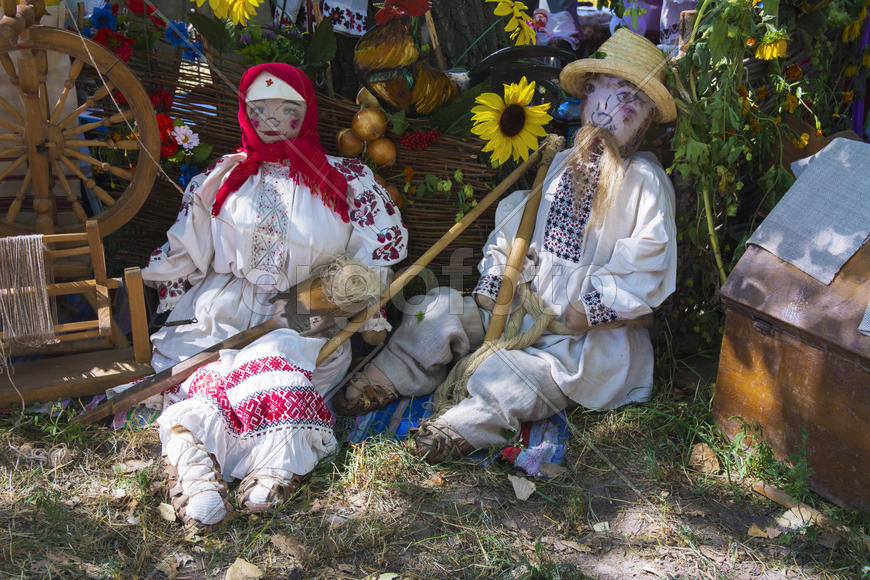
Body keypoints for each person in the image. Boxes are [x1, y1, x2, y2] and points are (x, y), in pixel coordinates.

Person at [332, 28, 677, 463]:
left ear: (646, 120)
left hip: (576, 343)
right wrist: (499, 276)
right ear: (584, 99)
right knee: (435, 310)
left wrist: (587, 310)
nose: (608, 110)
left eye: (628, 100)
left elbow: (647, 265)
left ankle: (456, 429)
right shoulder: (563, 163)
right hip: (520, 308)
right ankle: (384, 378)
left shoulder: (644, 182)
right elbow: (517, 224)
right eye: (597, 92)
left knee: (512, 375)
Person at [139, 63, 407, 530]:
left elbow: (376, 257)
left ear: (307, 113)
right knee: (204, 373)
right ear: (245, 113)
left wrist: (357, 298)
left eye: (287, 108)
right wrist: (145, 280)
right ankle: (194, 472)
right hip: (223, 305)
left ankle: (273, 465)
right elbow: (187, 248)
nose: (272, 119)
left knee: (281, 367)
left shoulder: (346, 180)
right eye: (258, 109)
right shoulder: (224, 176)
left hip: (306, 312)